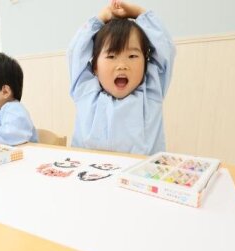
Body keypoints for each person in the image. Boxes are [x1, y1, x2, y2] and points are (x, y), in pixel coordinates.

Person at [68, 0, 176, 155]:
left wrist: (139, 13)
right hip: (89, 175)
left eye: (132, 56)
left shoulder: (152, 92)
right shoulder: (85, 92)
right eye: (111, 56)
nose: (122, 65)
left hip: (138, 176)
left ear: (146, 64)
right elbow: (76, 52)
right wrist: (99, 19)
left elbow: (166, 49)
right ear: (95, 67)